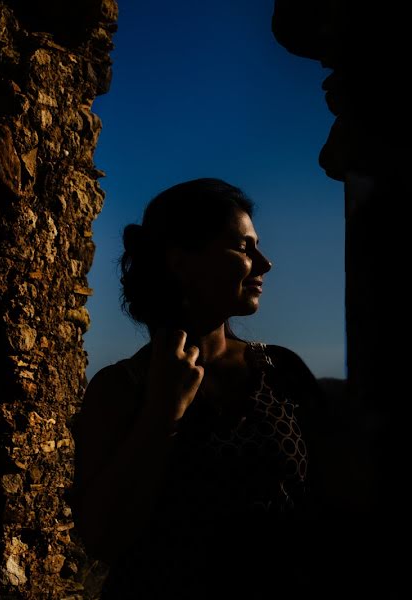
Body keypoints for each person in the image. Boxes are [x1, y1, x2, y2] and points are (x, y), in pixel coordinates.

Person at [71, 178, 327, 599]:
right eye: (243, 247)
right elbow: (103, 538)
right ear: (180, 261)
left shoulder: (281, 370)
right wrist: (161, 414)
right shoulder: (121, 388)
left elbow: (329, 504)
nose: (264, 263)